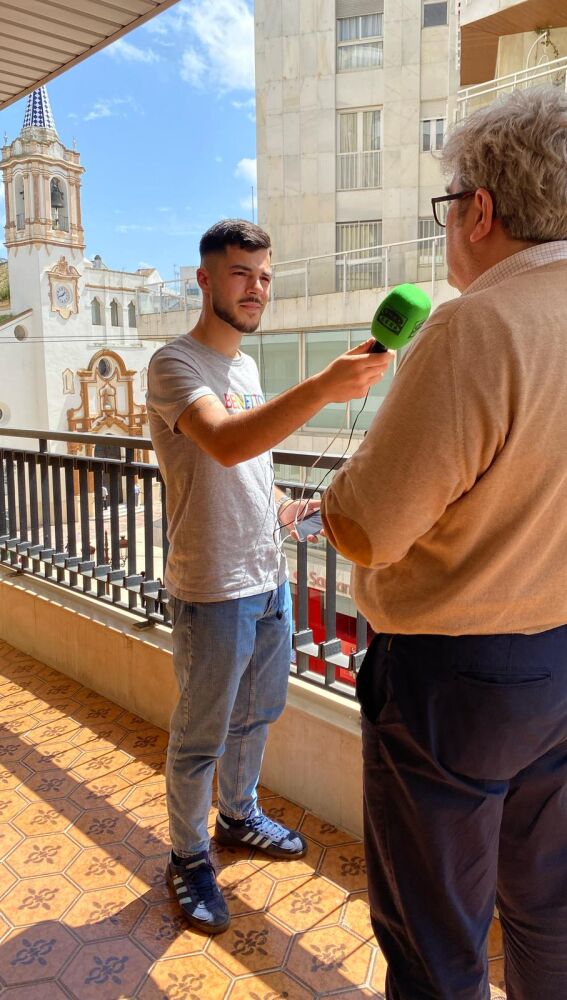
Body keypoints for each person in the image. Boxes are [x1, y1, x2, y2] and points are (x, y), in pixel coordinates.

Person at [320, 87, 567, 1000]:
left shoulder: (476, 326)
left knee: (435, 939)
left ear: (480, 210)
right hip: (558, 663)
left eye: (448, 205)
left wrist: (339, 491)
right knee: (547, 908)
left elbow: (366, 527)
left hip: (452, 681)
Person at [146, 218, 391, 935]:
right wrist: (322, 387)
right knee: (201, 735)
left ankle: (238, 815)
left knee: (257, 715)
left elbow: (248, 469)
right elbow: (224, 444)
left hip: (267, 578)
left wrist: (288, 508)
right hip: (211, 588)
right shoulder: (173, 364)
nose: (256, 289)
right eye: (240, 274)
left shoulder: (248, 371)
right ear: (205, 279)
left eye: (263, 277)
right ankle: (188, 856)